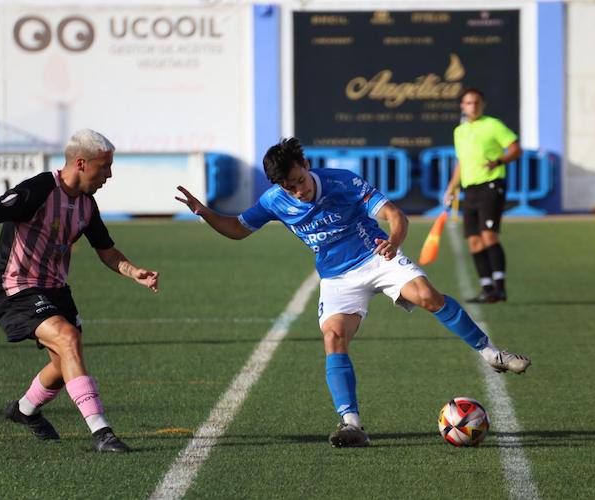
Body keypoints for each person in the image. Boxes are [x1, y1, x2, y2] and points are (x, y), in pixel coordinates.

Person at [176, 137, 530, 448]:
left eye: (299, 181)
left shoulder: (341, 181)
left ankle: (491, 354)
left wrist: (392, 243)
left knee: (427, 295)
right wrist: (204, 212)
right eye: (289, 187)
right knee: (334, 336)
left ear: (306, 165)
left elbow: (395, 215)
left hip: (376, 255)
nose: (298, 191)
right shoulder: (274, 201)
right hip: (337, 278)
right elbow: (238, 229)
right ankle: (352, 425)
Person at [0, 129, 159, 453]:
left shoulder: (87, 205)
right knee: (68, 339)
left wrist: (134, 272)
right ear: (80, 163)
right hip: (16, 286)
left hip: (56, 289)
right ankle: (101, 432)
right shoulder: (38, 190)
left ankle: (24, 410)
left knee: (64, 365)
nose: (110, 174)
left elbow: (106, 250)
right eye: (104, 167)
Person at [443, 88, 521, 304]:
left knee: (488, 235)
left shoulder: (493, 125)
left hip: (491, 184)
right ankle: (487, 288)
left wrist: (498, 162)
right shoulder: (460, 131)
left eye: (476, 102)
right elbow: (461, 162)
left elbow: (515, 149)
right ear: (462, 106)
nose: (473, 106)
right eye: (468, 103)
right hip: (470, 189)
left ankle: (500, 287)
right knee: (474, 240)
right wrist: (451, 187)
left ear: (482, 104)